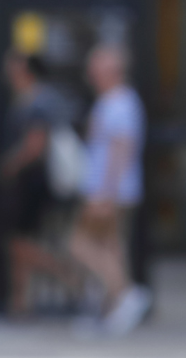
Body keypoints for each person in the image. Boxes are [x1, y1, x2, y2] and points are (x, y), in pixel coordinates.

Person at [68, 42, 148, 335]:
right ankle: (113, 308)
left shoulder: (121, 102)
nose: (91, 73)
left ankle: (127, 294)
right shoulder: (110, 101)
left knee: (81, 245)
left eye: (97, 67)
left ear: (113, 70)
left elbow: (122, 150)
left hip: (109, 192)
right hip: (106, 190)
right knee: (111, 248)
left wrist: (106, 193)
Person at [0, 50, 79, 317]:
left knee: (18, 243)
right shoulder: (27, 99)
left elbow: (36, 144)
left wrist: (11, 164)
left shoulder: (38, 100)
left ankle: (66, 273)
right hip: (28, 181)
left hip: (35, 181)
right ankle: (20, 303)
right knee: (18, 242)